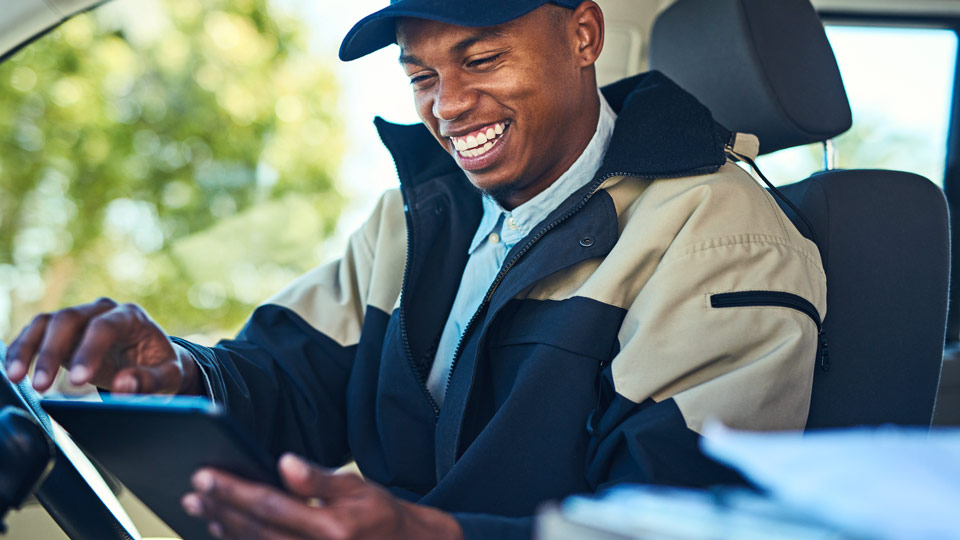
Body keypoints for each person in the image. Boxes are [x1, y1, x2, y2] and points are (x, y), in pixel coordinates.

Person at [5, 1, 827, 538]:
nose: (449, 104)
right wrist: (179, 374)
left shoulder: (719, 237)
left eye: (483, 59)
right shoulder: (420, 214)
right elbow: (296, 381)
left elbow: (683, 522)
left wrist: (429, 534)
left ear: (584, 34)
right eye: (423, 76)